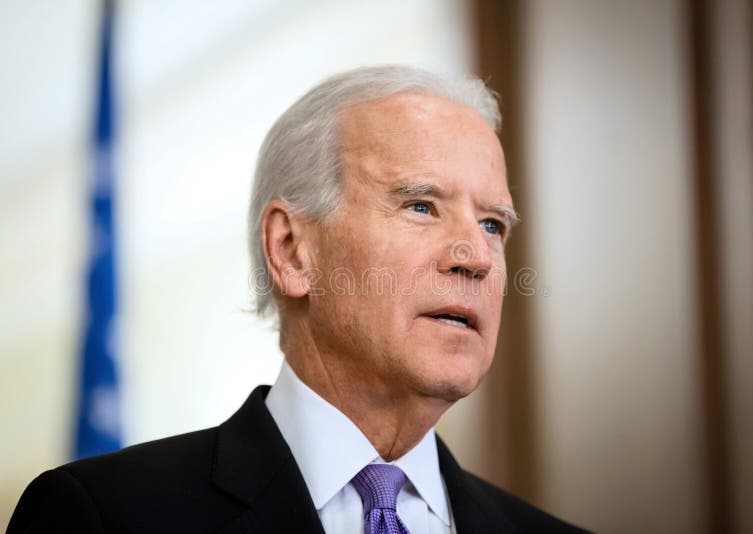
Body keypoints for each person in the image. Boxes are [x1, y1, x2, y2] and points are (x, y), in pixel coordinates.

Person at [9, 66, 586, 533]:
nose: (476, 257)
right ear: (291, 250)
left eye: (493, 224)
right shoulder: (102, 517)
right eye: (421, 206)